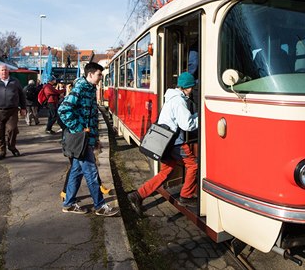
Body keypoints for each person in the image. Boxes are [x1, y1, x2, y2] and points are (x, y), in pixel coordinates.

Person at [127, 72, 199, 216]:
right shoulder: (179, 101)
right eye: (191, 87)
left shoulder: (171, 97)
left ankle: (138, 195)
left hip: (165, 142)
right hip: (175, 141)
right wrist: (200, 116)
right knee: (193, 165)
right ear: (187, 87)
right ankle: (186, 196)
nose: (192, 90)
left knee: (166, 171)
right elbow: (187, 125)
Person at [58, 62, 119, 216]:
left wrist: (95, 138)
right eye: (99, 75)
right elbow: (63, 109)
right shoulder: (80, 89)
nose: (100, 78)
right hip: (82, 139)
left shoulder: (90, 88)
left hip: (86, 139)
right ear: (90, 74)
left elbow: (91, 117)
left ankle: (69, 203)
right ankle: (100, 206)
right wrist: (80, 130)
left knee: (77, 172)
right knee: (91, 172)